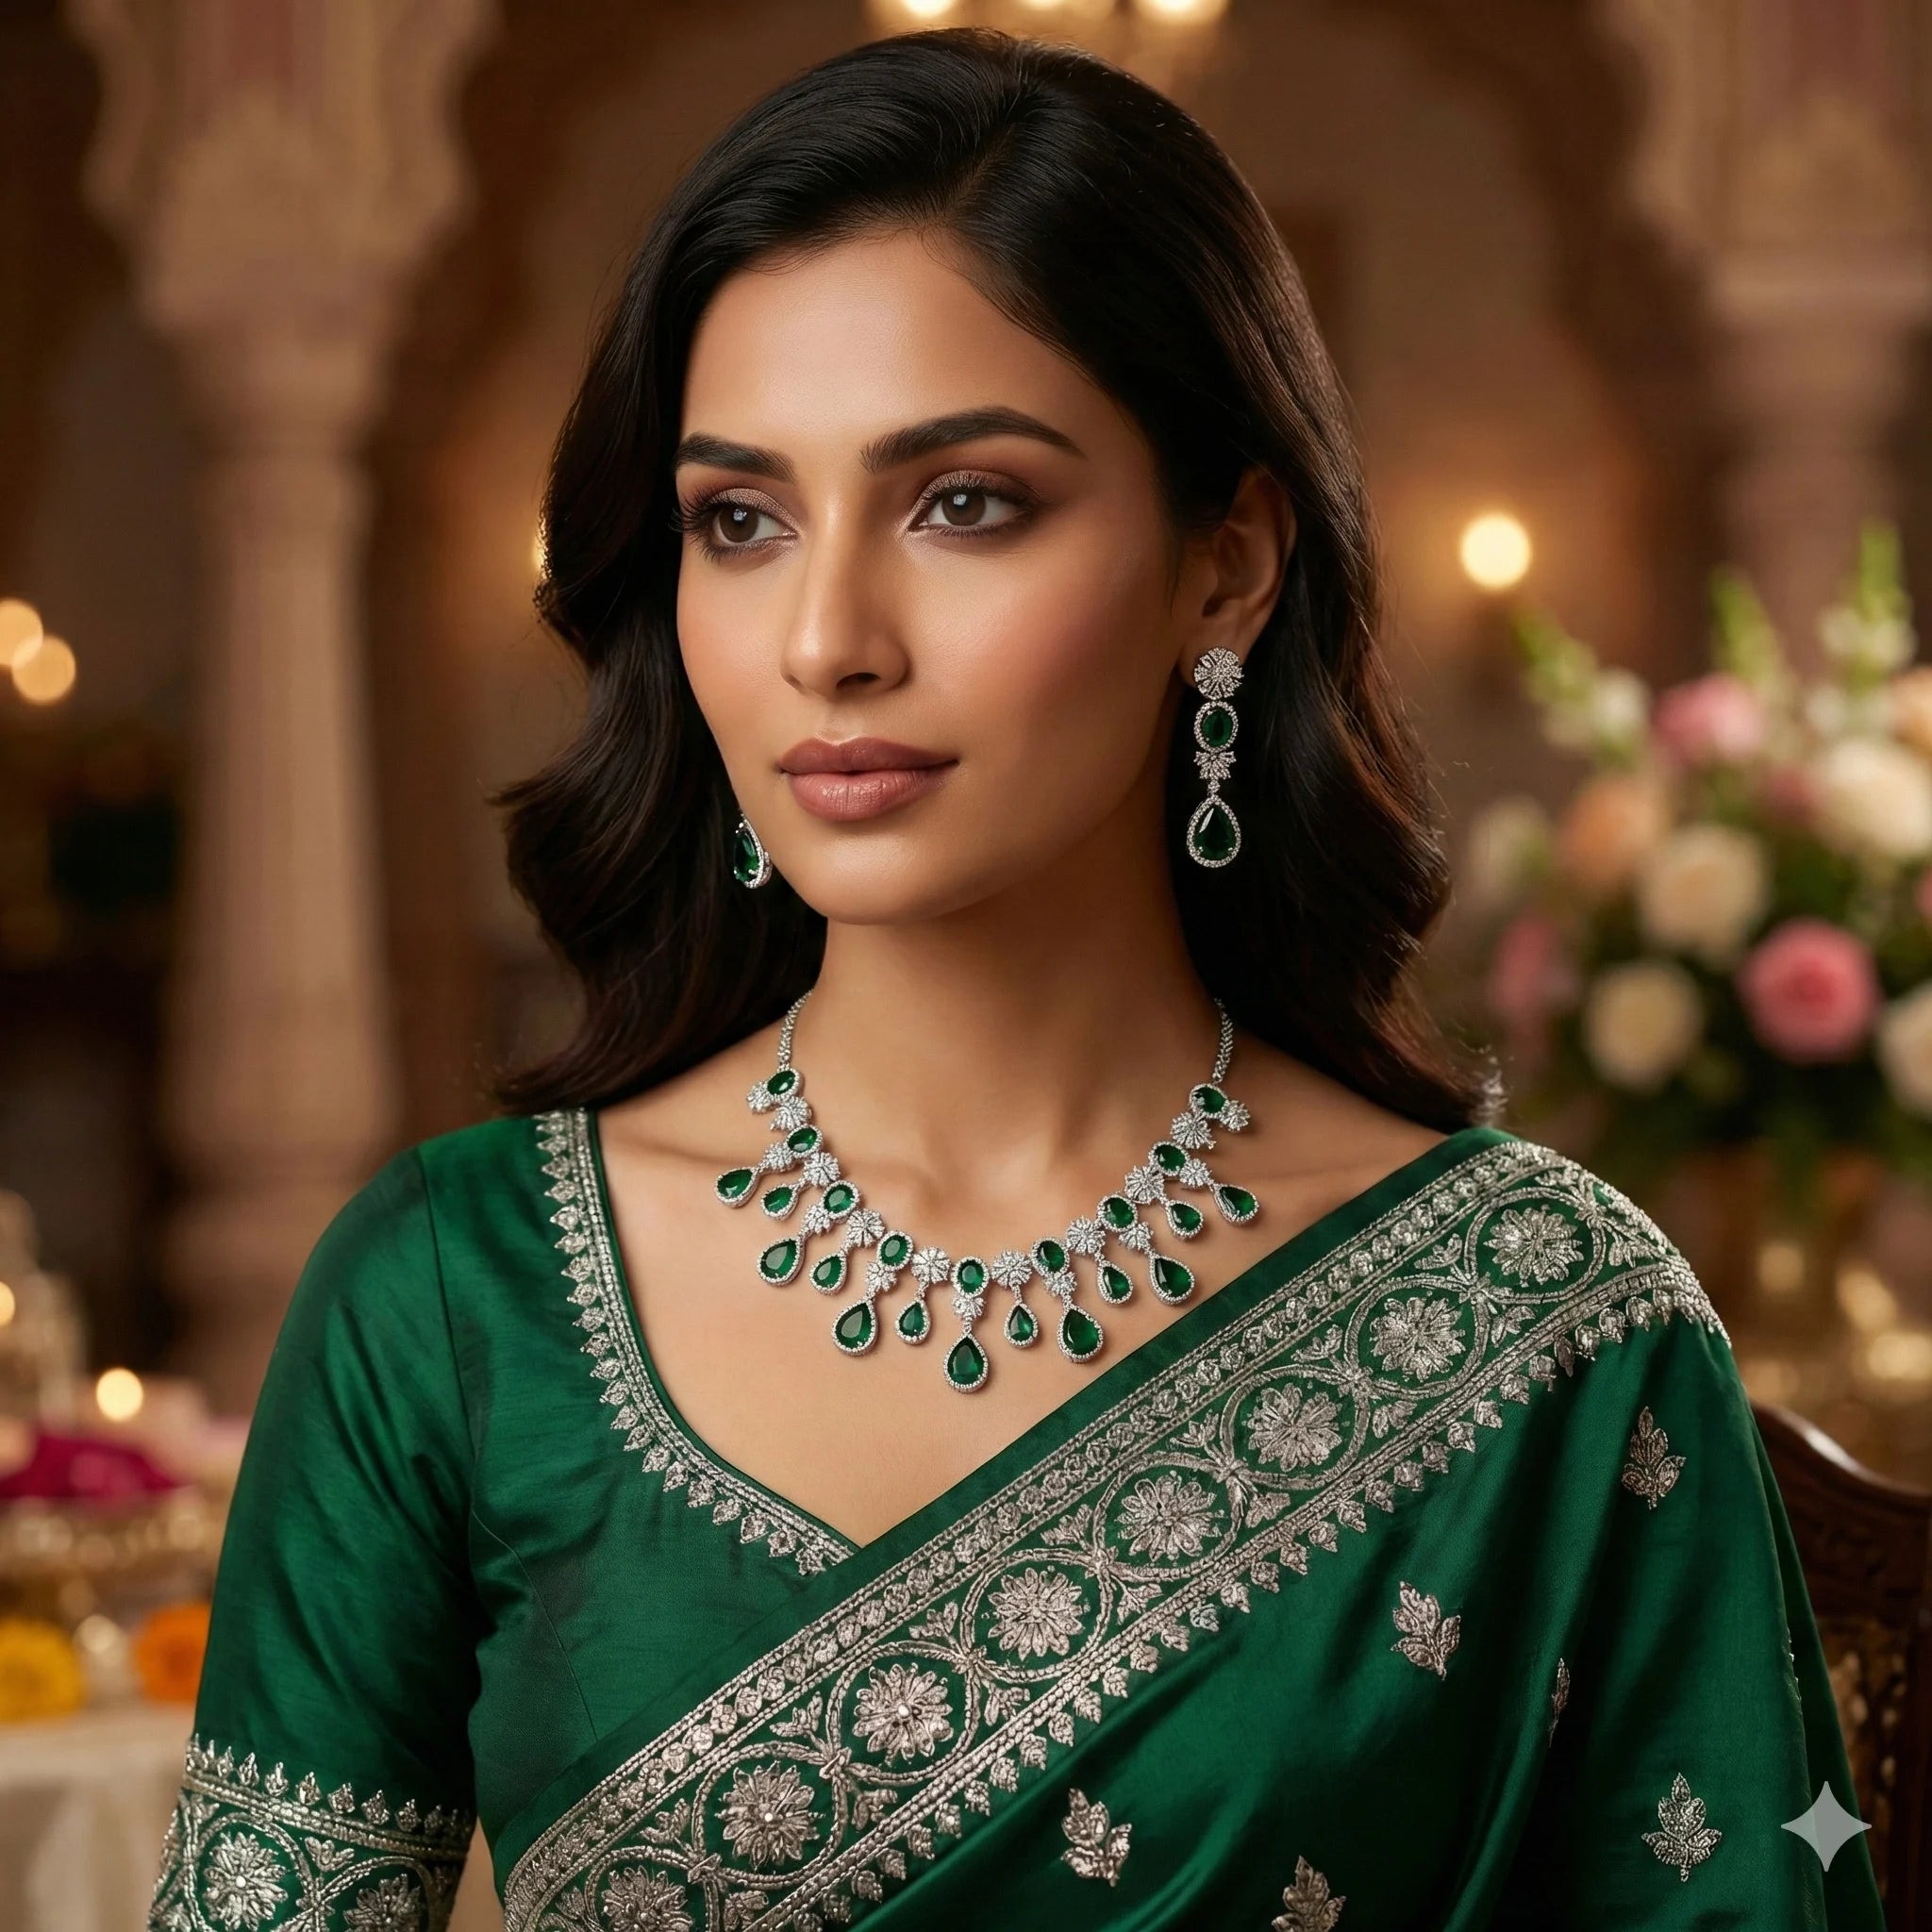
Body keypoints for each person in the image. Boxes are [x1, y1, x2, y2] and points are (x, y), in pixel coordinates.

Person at [147, 28, 1883, 1932]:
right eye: (741, 519)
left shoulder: (1548, 1325)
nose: (825, 639)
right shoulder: (457, 1300)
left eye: (963, 502)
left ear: (1222, 568)